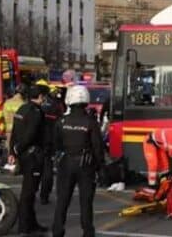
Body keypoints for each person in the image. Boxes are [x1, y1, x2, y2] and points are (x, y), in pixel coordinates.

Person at [52, 85, 105, 237]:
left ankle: (57, 231)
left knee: (62, 200)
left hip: (66, 163)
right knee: (86, 202)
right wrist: (100, 167)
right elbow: (97, 147)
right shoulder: (90, 122)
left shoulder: (62, 121)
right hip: (86, 165)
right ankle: (88, 232)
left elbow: (56, 144)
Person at [9, 85, 48, 235]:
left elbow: (14, 131)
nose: (45, 99)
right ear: (40, 96)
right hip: (32, 155)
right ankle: (24, 228)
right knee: (29, 193)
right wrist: (19, 148)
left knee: (29, 191)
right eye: (44, 96)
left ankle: (32, 224)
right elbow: (31, 134)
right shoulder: (36, 112)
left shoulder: (22, 109)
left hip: (23, 155)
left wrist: (13, 150)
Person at [37, 80, 64, 205]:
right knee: (47, 173)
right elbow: (61, 124)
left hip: (38, 143)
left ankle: (36, 195)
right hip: (49, 142)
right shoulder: (57, 105)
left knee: (35, 172)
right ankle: (44, 196)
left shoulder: (39, 105)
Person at [3, 83, 28, 159]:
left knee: (10, 155)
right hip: (19, 133)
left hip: (8, 132)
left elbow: (3, 116)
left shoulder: (7, 103)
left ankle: (10, 168)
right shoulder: (23, 104)